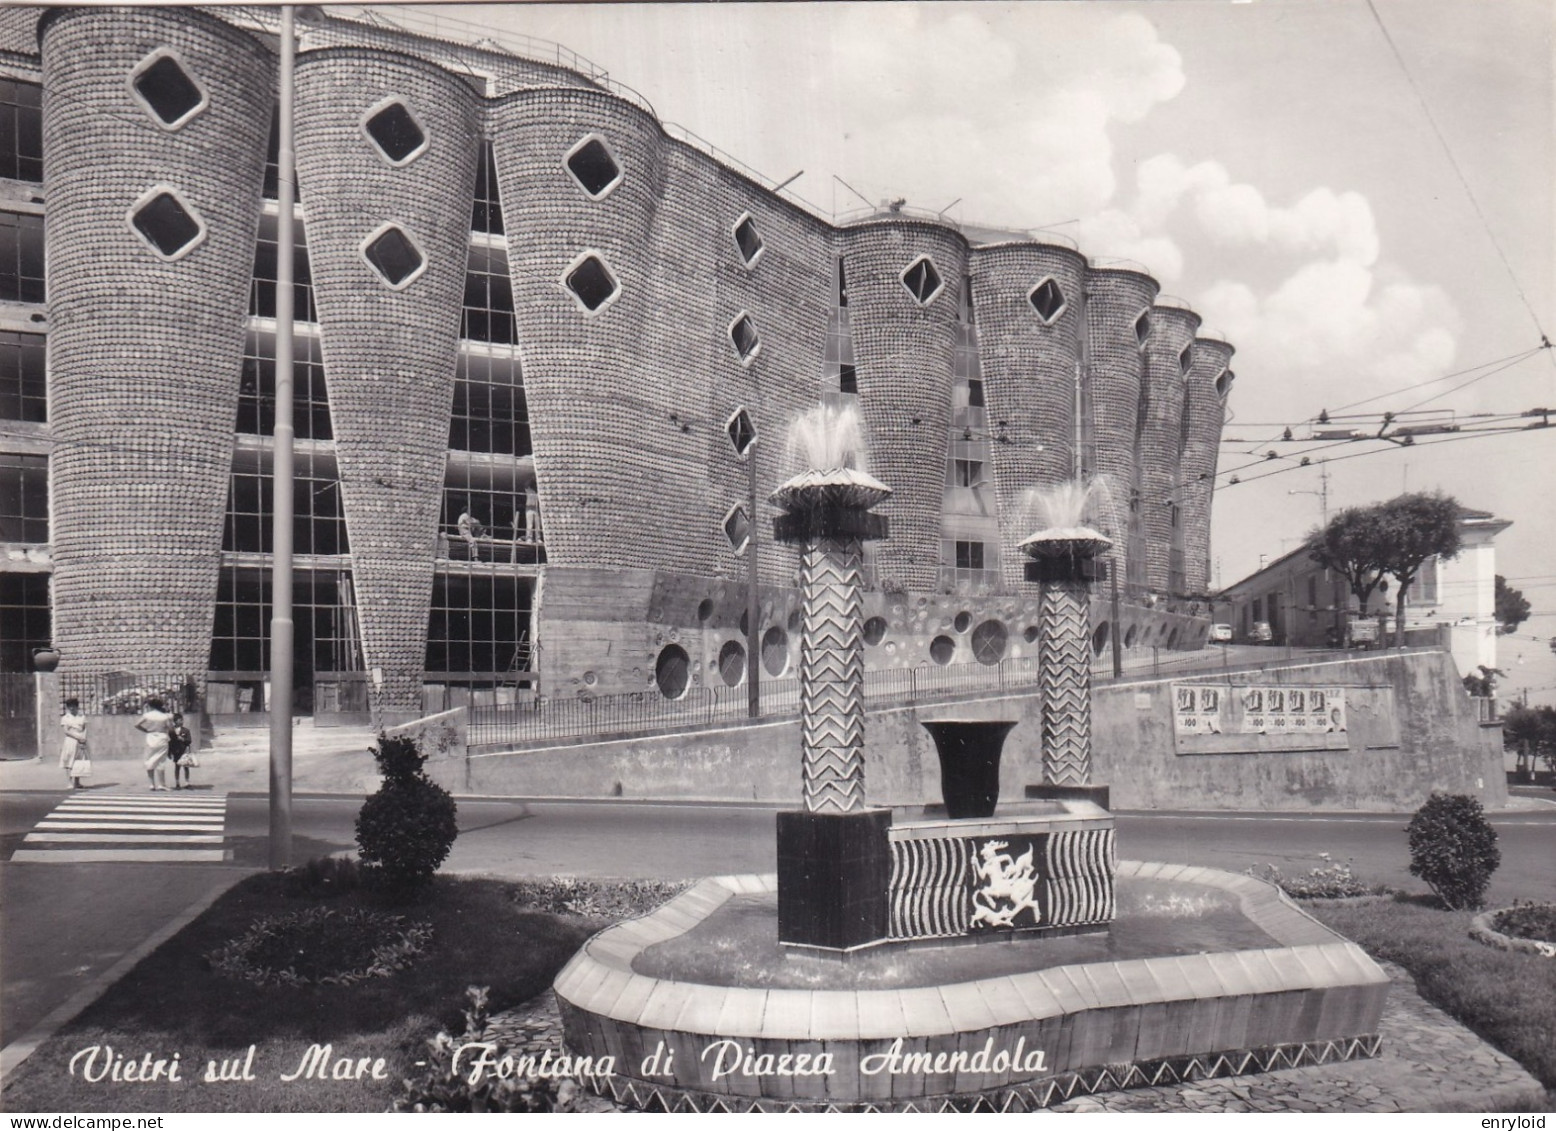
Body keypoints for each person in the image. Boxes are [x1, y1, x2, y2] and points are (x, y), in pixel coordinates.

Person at [138, 696, 173, 791]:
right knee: (161, 761)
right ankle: (162, 784)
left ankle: (151, 784)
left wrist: (146, 730)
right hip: (162, 738)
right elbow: (170, 728)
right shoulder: (164, 716)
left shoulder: (147, 715)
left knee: (149, 760)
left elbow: (136, 724)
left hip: (150, 737)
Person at [59, 698, 89, 789]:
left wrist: (83, 738)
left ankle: (77, 782)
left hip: (80, 741)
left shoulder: (82, 717)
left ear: (77, 706)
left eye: (73, 706)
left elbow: (85, 728)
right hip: (70, 741)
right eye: (69, 706)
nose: (72, 708)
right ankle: (69, 782)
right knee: (69, 761)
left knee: (78, 762)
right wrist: (77, 737)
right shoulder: (65, 718)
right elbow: (66, 731)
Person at [168, 710, 195, 789]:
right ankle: (177, 783)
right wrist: (169, 753)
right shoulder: (171, 731)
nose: (182, 721)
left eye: (182, 720)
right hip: (176, 752)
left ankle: (187, 783)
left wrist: (182, 739)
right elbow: (170, 742)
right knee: (177, 767)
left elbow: (189, 740)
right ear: (175, 721)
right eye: (180, 720)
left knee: (186, 767)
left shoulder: (186, 730)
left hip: (184, 751)